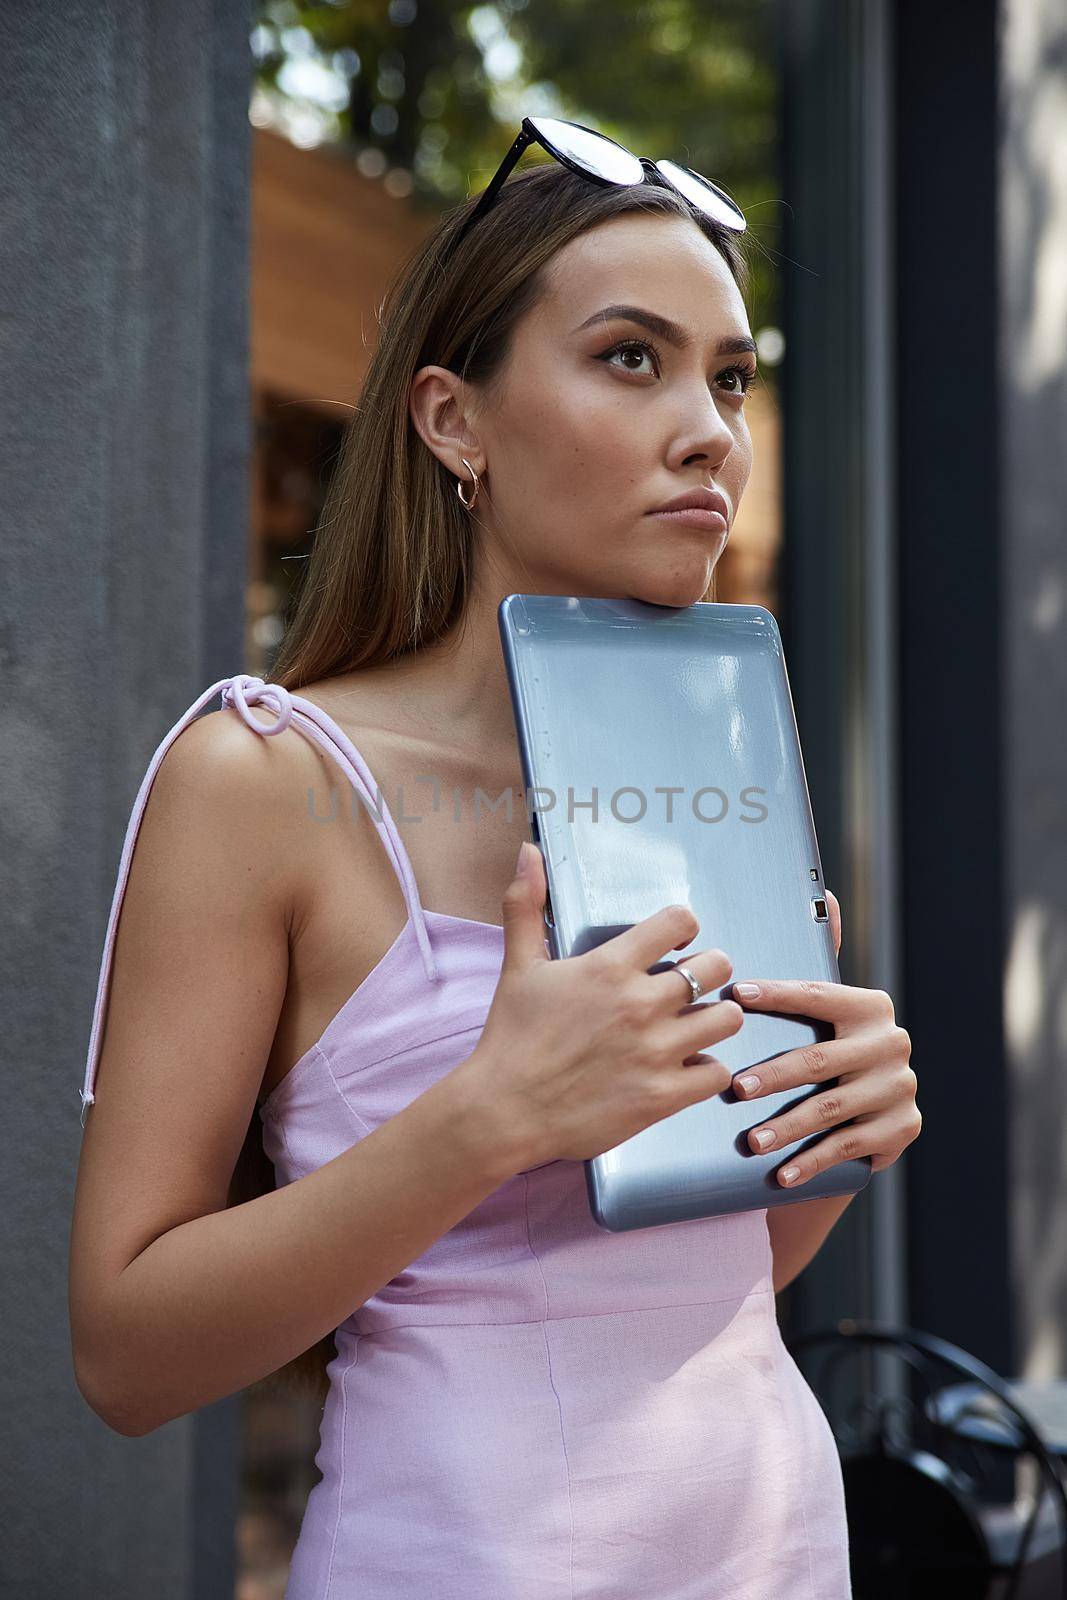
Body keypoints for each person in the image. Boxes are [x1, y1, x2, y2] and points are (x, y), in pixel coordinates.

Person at [69, 120, 921, 1598]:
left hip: (774, 1550)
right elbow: (126, 1353)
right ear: (453, 422)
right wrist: (491, 1114)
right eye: (631, 358)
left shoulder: (715, 781)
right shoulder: (265, 777)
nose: (712, 428)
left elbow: (687, 1295)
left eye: (729, 375)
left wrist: (826, 1147)